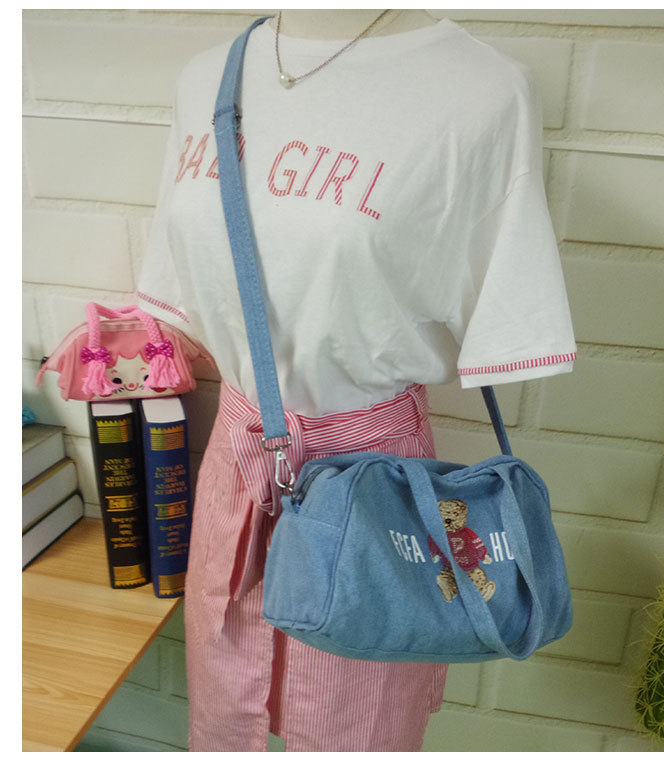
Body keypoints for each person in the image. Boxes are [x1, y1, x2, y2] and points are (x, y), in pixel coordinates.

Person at [136, 9, 577, 752]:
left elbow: (506, 309)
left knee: (357, 727)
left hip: (374, 478)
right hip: (238, 464)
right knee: (224, 712)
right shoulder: (206, 76)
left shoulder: (485, 91)